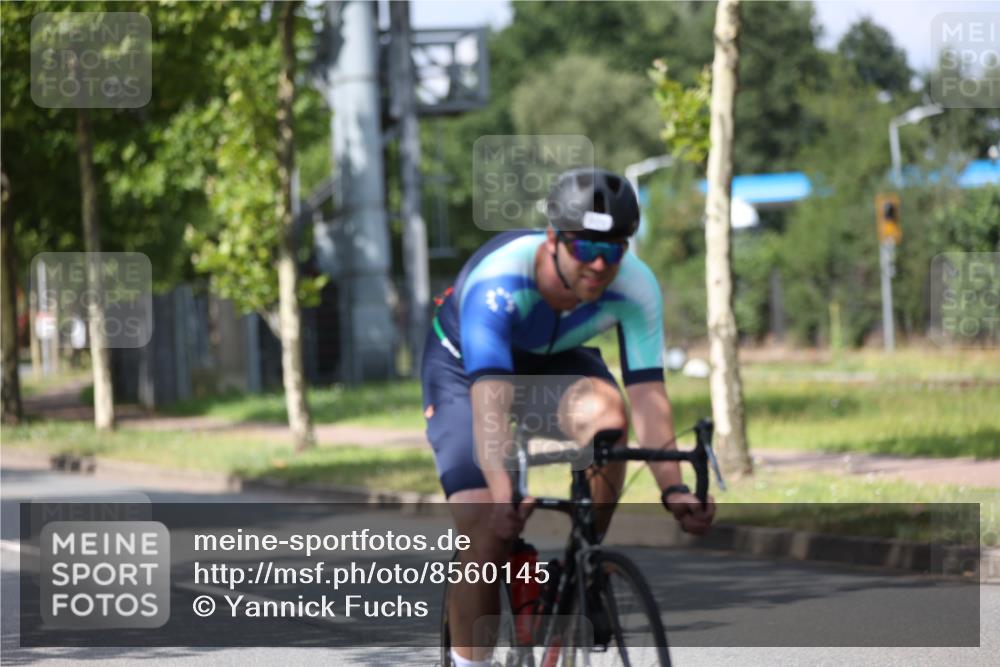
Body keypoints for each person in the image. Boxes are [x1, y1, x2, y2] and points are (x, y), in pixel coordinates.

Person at [421, 167, 716, 667]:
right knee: (482, 528)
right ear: (552, 239)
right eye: (585, 249)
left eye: (613, 250)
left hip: (554, 363)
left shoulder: (637, 286)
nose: (599, 266)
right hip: (465, 370)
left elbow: (648, 395)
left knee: (609, 414)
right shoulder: (499, 281)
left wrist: (674, 488)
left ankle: (583, 562)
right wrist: (501, 491)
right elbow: (491, 403)